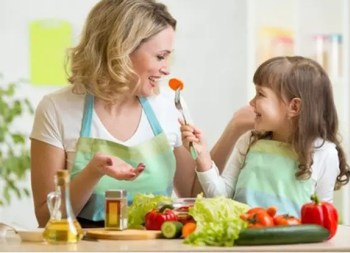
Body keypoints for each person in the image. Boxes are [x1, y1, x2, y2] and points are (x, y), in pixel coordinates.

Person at [30, 0, 254, 228]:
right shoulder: (57, 108)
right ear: (121, 50)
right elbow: (45, 218)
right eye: (160, 57)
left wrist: (233, 129)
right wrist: (93, 172)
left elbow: (194, 194)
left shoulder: (168, 105)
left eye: (168, 57)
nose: (167, 68)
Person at [180, 56, 350, 218]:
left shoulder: (325, 153)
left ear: (294, 106)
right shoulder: (249, 141)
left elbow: (322, 216)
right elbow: (221, 198)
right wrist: (203, 159)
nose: (252, 102)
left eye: (260, 94)